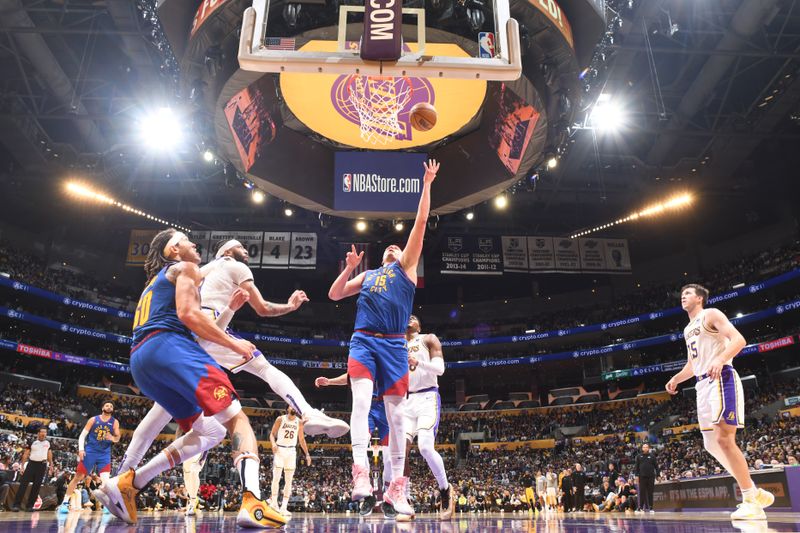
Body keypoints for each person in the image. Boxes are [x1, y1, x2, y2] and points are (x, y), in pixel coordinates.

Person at [117, 240, 347, 491]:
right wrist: (290, 307)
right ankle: (307, 413)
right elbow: (263, 308)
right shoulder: (233, 265)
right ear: (227, 252)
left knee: (160, 413)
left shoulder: (200, 269)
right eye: (241, 246)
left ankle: (122, 478)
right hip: (208, 324)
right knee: (262, 366)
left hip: (181, 337)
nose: (246, 250)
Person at [92, 229, 285, 528]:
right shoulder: (185, 267)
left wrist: (229, 309)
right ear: (173, 249)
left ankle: (130, 482)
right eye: (186, 240)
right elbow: (188, 315)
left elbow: (187, 314)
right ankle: (253, 502)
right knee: (237, 420)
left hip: (141, 360)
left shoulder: (154, 284)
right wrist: (235, 344)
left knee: (211, 433)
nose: (194, 244)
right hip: (169, 347)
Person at [328, 159, 439, 518]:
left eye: (398, 247)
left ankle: (396, 489)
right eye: (389, 248)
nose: (394, 248)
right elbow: (334, 294)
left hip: (393, 345)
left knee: (396, 420)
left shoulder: (405, 269)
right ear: (381, 256)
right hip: (363, 340)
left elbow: (420, 222)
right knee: (360, 404)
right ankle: (360, 473)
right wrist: (348, 267)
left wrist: (426, 183)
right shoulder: (370, 274)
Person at [666, 283, 774, 520]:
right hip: (701, 385)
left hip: (721, 378)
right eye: (681, 293)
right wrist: (676, 378)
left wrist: (722, 358)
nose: (682, 296)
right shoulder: (687, 329)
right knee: (711, 445)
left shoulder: (710, 314)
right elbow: (692, 365)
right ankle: (753, 492)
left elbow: (739, 340)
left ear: (700, 298)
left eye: (687, 293)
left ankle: (749, 500)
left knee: (724, 438)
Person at [314, 373, 395, 518]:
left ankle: (388, 499)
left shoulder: (388, 353)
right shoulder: (364, 354)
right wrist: (330, 381)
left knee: (390, 458)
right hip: (365, 406)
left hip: (386, 406)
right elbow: (353, 373)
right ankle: (367, 497)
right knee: (359, 449)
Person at [402, 315, 455, 520]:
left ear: (419, 324)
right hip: (406, 401)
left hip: (427, 397)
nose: (410, 318)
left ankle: (445, 489)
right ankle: (404, 501)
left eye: (414, 317)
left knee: (424, 447)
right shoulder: (397, 344)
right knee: (401, 451)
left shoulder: (429, 339)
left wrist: (418, 362)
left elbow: (440, 369)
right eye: (407, 316)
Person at [57, 402, 119, 514]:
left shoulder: (114, 422)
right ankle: (65, 503)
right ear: (102, 407)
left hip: (104, 454)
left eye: (111, 406)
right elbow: (82, 435)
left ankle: (107, 506)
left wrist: (113, 438)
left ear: (113, 410)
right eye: (107, 405)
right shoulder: (93, 420)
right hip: (90, 452)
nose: (109, 407)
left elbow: (118, 437)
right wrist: (81, 449)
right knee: (78, 477)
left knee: (106, 481)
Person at [269, 406, 311, 517]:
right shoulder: (280, 419)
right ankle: (274, 503)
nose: (293, 407)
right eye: (290, 405)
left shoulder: (299, 422)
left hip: (291, 451)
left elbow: (301, 439)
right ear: (287, 408)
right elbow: (272, 434)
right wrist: (273, 444)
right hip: (280, 449)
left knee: (289, 481)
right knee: (276, 477)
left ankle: (283, 507)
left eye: (294, 406)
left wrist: (307, 454)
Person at [11, 427, 52, 512]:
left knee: (36, 486)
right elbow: (26, 454)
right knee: (23, 484)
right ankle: (16, 505)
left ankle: (30, 506)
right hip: (31, 464)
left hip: (42, 465)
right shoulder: (32, 442)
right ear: (38, 433)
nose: (44, 434)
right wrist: (22, 466)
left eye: (45, 432)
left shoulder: (48, 443)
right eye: (42, 432)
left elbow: (49, 453)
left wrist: (51, 464)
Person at [634, 443, 658, 513]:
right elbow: (636, 467)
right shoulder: (639, 456)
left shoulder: (652, 456)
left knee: (650, 492)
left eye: (646, 447)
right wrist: (636, 475)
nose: (645, 448)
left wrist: (658, 475)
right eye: (644, 447)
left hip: (651, 477)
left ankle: (651, 507)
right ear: (642, 448)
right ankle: (640, 507)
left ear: (648, 448)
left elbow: (656, 466)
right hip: (642, 477)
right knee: (642, 492)